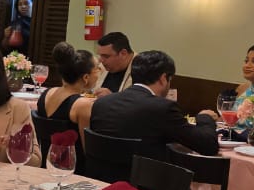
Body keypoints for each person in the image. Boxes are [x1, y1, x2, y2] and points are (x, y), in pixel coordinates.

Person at [88, 50, 220, 155]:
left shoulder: (102, 103)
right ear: (163, 78)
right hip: (145, 180)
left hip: (100, 178)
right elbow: (208, 146)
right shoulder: (162, 108)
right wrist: (205, 118)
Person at [36, 43, 99, 169]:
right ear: (86, 77)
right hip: (72, 169)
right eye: (97, 69)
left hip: (45, 164)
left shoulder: (46, 93)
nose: (99, 73)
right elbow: (88, 150)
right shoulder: (82, 105)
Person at [95, 31, 136, 96]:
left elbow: (142, 100)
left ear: (123, 53)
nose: (101, 60)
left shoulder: (142, 70)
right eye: (100, 55)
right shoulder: (101, 67)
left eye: (106, 56)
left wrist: (113, 97)